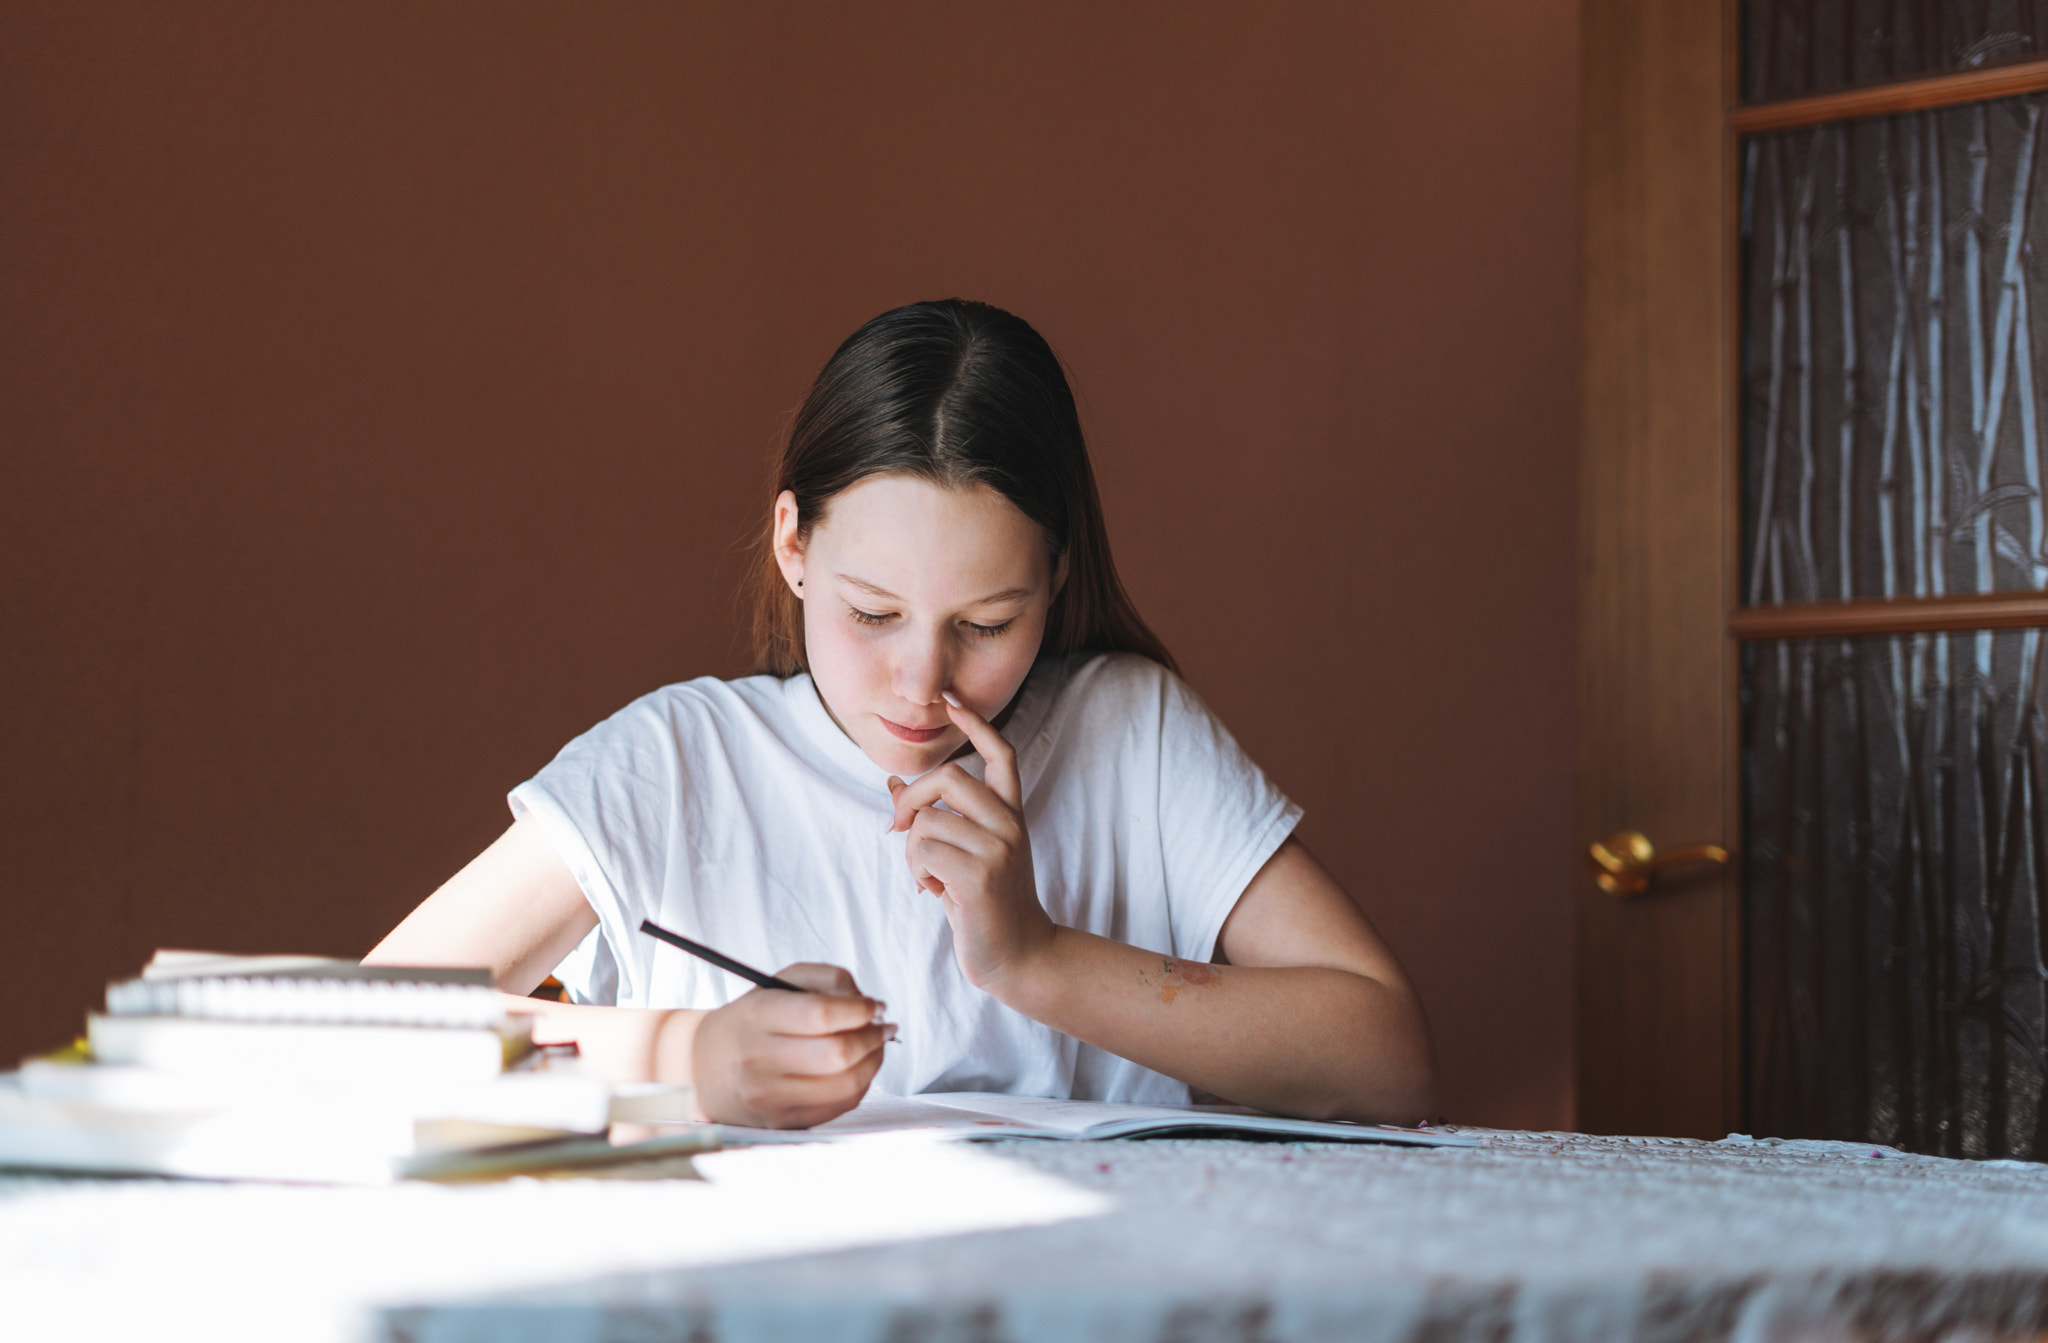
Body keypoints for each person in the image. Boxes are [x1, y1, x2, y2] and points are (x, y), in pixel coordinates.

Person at [365, 299, 1434, 1129]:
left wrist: (1035, 958)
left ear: (1056, 578)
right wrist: (688, 1056)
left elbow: (1383, 1057)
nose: (923, 683)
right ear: (792, 544)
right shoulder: (680, 762)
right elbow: (353, 1026)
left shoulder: (1130, 735)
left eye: (988, 620)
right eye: (872, 611)